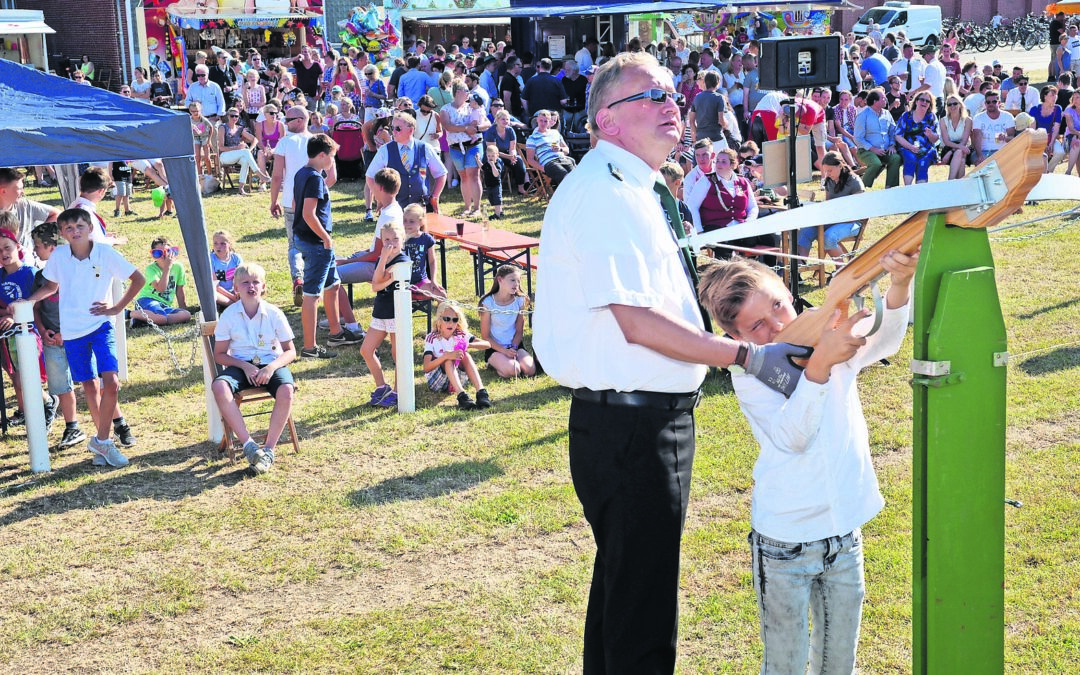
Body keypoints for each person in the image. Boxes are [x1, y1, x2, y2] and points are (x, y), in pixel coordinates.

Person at [533, 52, 806, 674]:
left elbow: (661, 298)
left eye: (670, 94)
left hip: (632, 422)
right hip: (633, 427)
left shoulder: (635, 187)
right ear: (607, 120)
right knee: (641, 613)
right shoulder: (608, 193)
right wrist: (748, 356)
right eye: (649, 97)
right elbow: (639, 322)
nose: (669, 104)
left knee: (625, 595)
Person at [696, 248, 917, 675]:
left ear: (788, 290)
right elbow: (792, 437)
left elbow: (885, 340)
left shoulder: (825, 332)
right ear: (737, 337)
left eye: (778, 305)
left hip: (844, 535)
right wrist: (819, 366)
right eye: (756, 325)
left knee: (838, 665)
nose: (777, 324)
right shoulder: (750, 373)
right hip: (784, 544)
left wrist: (900, 284)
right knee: (785, 665)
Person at [21, 208, 144, 467]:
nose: (75, 231)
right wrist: (28, 301)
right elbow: (51, 286)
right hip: (73, 332)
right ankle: (103, 445)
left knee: (111, 382)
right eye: (69, 228)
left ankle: (101, 440)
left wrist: (116, 308)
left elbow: (138, 279)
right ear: (62, 234)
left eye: (79, 226)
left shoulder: (105, 252)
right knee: (89, 386)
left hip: (101, 326)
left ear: (89, 227)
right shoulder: (60, 256)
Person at [211, 262, 296, 475]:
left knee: (287, 389)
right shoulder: (229, 315)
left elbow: (290, 351)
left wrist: (271, 367)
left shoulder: (274, 313)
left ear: (263, 286)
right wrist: (245, 366)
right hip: (241, 364)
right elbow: (219, 354)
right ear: (235, 287)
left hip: (270, 363)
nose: (251, 287)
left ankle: (268, 450)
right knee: (220, 387)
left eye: (256, 282)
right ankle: (249, 445)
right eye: (245, 282)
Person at [293, 133, 361, 358]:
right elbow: (307, 213)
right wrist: (325, 238)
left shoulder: (302, 173)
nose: (334, 161)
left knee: (333, 285)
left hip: (311, 240)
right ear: (322, 156)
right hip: (317, 243)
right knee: (312, 295)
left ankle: (336, 333)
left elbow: (295, 204)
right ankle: (310, 348)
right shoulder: (313, 178)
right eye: (332, 157)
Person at [30, 222, 88, 449]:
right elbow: (36, 308)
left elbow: (83, 305)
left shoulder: (76, 273)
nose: (34, 250)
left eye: (38, 246)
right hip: (52, 340)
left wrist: (68, 332)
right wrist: (43, 331)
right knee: (61, 386)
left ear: (52, 248)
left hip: (77, 336)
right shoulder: (39, 277)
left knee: (89, 381)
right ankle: (72, 425)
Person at [0, 223, 58, 432]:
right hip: (6, 335)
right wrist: (7, 314)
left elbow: (39, 305)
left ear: (17, 247)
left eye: (7, 248)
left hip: (29, 332)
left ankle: (48, 403)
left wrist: (14, 316)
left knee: (26, 376)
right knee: (15, 376)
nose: (3, 254)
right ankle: (26, 412)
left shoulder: (31, 274)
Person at [359, 218, 409, 409]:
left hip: (396, 312)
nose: (391, 244)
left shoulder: (402, 260)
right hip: (381, 312)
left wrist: (381, 282)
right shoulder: (384, 258)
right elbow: (375, 283)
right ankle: (382, 387)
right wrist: (382, 259)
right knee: (366, 350)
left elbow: (375, 284)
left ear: (402, 239)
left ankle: (397, 392)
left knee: (399, 356)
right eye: (386, 240)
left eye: (395, 239)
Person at [366, 110, 448, 212]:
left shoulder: (425, 148)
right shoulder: (385, 150)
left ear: (411, 130)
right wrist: (380, 198)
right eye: (392, 128)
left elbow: (441, 173)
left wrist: (435, 197)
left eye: (398, 128)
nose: (393, 132)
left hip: (420, 209)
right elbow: (370, 176)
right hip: (394, 208)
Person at [796, 151, 865, 262]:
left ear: (840, 166)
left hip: (852, 222)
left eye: (830, 170)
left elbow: (858, 209)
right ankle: (800, 268)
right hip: (833, 219)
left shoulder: (855, 181)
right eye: (825, 171)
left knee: (828, 237)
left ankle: (840, 270)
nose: (827, 174)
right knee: (805, 232)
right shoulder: (829, 181)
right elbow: (829, 203)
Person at [422, 303, 493, 410]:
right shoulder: (432, 337)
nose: (451, 323)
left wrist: (468, 345)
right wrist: (446, 356)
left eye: (455, 320)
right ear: (439, 320)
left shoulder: (460, 334)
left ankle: (481, 391)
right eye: (447, 319)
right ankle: (462, 396)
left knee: (465, 355)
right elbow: (426, 367)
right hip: (437, 381)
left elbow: (487, 344)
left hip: (457, 377)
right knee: (449, 359)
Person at [441, 83, 490, 216]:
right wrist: (466, 128)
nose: (469, 93)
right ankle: (467, 207)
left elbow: (487, 123)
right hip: (456, 147)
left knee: (473, 175)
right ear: (458, 92)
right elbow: (447, 126)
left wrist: (477, 129)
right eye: (466, 90)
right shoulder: (445, 109)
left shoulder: (472, 106)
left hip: (473, 145)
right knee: (464, 177)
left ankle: (477, 208)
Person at [479, 264, 535, 379]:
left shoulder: (520, 300)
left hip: (514, 345)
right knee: (514, 370)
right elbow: (485, 336)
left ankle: (509, 362)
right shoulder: (488, 302)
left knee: (530, 370)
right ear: (500, 279)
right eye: (512, 280)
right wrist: (504, 351)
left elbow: (519, 331)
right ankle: (494, 363)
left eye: (518, 281)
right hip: (495, 347)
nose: (516, 284)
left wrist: (514, 347)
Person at [0, 168, 59, 259]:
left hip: (27, 262)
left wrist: (40, 236)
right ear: (3, 191)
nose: (23, 192)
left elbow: (56, 214)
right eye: (19, 188)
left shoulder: (25, 205)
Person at [132, 237, 191, 326]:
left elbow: (179, 291)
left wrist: (183, 308)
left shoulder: (178, 267)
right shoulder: (151, 269)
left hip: (164, 306)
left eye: (167, 251)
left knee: (186, 315)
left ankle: (146, 320)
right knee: (161, 316)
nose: (164, 255)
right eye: (158, 253)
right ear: (153, 256)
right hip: (147, 301)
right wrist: (167, 267)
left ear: (172, 252)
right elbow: (161, 288)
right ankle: (130, 313)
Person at [854, 89, 901, 188]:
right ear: (875, 102)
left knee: (896, 158)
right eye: (883, 98)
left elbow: (893, 131)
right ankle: (861, 188)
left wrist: (892, 145)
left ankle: (891, 188)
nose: (886, 100)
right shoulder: (863, 116)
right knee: (875, 163)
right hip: (866, 150)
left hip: (885, 150)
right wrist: (873, 149)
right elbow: (858, 138)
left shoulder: (887, 113)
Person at [218, 108, 270, 195]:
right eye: (232, 116)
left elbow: (255, 140)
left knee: (245, 160)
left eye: (236, 116)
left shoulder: (239, 128)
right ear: (228, 116)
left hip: (237, 155)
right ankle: (260, 174)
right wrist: (237, 147)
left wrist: (249, 150)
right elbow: (221, 147)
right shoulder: (223, 128)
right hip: (225, 156)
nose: (234, 118)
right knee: (245, 152)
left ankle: (241, 188)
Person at [402, 202, 446, 300]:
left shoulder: (426, 238)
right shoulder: (399, 237)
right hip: (401, 281)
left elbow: (432, 261)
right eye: (405, 220)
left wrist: (433, 280)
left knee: (441, 294)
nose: (407, 224)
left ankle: (441, 315)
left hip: (420, 281)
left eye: (411, 221)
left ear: (421, 222)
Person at [894, 92, 939, 185]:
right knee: (910, 158)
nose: (925, 102)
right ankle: (908, 189)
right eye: (922, 99)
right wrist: (910, 147)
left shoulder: (932, 117)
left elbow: (936, 139)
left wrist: (930, 135)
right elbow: (897, 135)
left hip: (926, 149)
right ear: (916, 101)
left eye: (928, 101)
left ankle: (920, 192)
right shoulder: (906, 116)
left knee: (923, 163)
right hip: (907, 147)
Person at [525, 110, 575, 188]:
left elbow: (567, 150)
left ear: (549, 122)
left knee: (575, 176)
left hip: (562, 159)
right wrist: (543, 168)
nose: (543, 123)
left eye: (546, 121)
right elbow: (530, 159)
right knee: (565, 177)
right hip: (549, 163)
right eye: (541, 120)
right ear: (537, 120)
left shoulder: (555, 133)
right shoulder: (532, 138)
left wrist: (560, 149)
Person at [484, 107, 528, 195]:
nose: (505, 121)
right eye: (503, 119)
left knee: (519, 161)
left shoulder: (510, 130)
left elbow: (512, 148)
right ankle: (495, 189)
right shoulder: (491, 131)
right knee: (498, 162)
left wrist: (513, 156)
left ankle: (521, 188)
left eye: (507, 119)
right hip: (492, 156)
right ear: (497, 120)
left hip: (507, 154)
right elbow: (493, 151)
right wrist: (509, 157)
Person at [971, 91, 1015, 164]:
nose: (991, 104)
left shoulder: (1007, 117)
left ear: (999, 102)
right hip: (984, 151)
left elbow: (1012, 138)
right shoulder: (978, 118)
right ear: (985, 104)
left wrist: (1005, 137)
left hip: (1002, 152)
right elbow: (976, 138)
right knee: (980, 162)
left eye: (994, 102)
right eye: (988, 102)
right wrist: (980, 155)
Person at [1029, 86, 1064, 173]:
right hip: (1037, 138)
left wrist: (1051, 143)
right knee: (1042, 155)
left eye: (1056, 95)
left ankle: (1048, 171)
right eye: (1052, 95)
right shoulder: (1035, 109)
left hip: (1051, 137)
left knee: (1060, 152)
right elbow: (1032, 130)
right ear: (1045, 96)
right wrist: (1042, 144)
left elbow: (1056, 128)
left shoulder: (1058, 108)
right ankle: (1042, 172)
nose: (1055, 97)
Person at [939, 94, 973, 180]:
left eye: (955, 103)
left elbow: (964, 142)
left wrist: (951, 152)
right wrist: (950, 151)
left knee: (959, 153)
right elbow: (946, 141)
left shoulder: (968, 120)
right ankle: (957, 185)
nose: (952, 106)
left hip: (964, 149)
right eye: (949, 104)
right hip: (947, 149)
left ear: (960, 105)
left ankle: (950, 182)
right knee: (961, 159)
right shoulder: (943, 121)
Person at [211, 229, 243, 310]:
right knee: (213, 295)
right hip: (219, 293)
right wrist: (232, 297)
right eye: (215, 243)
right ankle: (234, 305)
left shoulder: (236, 258)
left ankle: (233, 304)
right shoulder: (211, 259)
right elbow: (216, 286)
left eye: (223, 243)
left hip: (235, 292)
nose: (218, 246)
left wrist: (237, 293)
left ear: (229, 244)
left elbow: (242, 278)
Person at [480, 144, 504, 219]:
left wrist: (493, 165)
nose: (490, 158)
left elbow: (496, 174)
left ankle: (497, 215)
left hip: (496, 185)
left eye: (493, 156)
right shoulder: (487, 164)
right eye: (489, 156)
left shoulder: (497, 164)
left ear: (497, 156)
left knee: (497, 199)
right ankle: (500, 211)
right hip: (489, 185)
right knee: (492, 199)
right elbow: (482, 168)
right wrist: (478, 160)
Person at [1063, 90, 1080, 176]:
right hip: (1070, 135)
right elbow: (1071, 128)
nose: (1075, 99)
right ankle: (1068, 171)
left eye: (1078, 97)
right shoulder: (1069, 109)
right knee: (1077, 143)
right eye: (1074, 97)